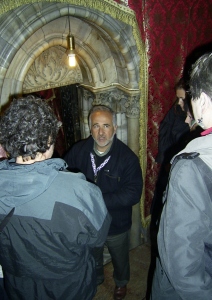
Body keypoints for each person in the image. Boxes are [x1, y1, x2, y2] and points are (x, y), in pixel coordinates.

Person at [0, 96, 111, 300]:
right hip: (68, 289)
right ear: (50, 139)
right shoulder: (79, 192)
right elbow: (99, 236)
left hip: (18, 288)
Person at [64, 105, 143, 300]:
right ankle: (97, 276)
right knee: (93, 253)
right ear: (90, 128)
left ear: (115, 128)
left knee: (120, 257)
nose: (101, 132)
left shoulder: (127, 158)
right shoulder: (79, 151)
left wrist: (96, 199)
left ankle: (121, 282)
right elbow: (64, 176)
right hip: (88, 222)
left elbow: (133, 194)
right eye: (96, 126)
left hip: (116, 223)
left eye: (106, 126)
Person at [150, 52, 212, 299]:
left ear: (203, 101)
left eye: (187, 99)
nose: (180, 104)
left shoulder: (192, 167)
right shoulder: (177, 117)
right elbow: (164, 142)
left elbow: (182, 265)